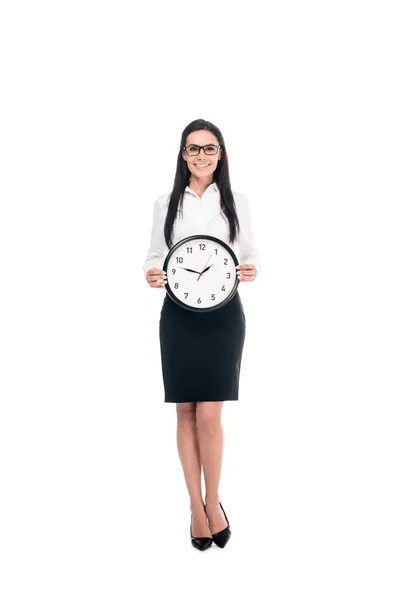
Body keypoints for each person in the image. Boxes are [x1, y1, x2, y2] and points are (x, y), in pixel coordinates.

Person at [143, 119, 262, 551]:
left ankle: (215, 502)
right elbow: (154, 253)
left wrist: (251, 267)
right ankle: (195, 507)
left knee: (209, 415)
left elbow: (248, 252)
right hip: (177, 316)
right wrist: (150, 273)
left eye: (209, 149)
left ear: (221, 154)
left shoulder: (235, 201)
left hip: (223, 316)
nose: (201, 156)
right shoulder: (165, 203)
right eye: (193, 149)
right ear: (183, 154)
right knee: (184, 414)